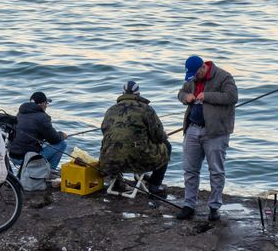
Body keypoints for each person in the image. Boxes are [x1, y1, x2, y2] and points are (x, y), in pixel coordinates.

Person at [176, 55, 238, 221]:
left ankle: (214, 207)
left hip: (216, 133)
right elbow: (181, 92)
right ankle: (189, 205)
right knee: (189, 170)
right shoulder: (191, 79)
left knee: (216, 171)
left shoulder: (224, 77)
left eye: (196, 74)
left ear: (203, 67)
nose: (194, 78)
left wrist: (208, 96)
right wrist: (185, 98)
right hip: (192, 129)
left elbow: (232, 97)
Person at [99, 80, 171, 195]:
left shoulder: (110, 110)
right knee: (167, 146)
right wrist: (164, 136)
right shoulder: (146, 109)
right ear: (138, 94)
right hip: (138, 160)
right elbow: (158, 137)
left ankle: (117, 182)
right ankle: (154, 185)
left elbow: (105, 132)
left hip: (109, 160)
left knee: (115, 145)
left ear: (123, 93)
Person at [9, 91, 67, 170]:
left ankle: (40, 170)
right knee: (62, 143)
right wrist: (62, 135)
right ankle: (49, 172)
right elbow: (54, 139)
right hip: (27, 158)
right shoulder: (42, 117)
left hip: (13, 155)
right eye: (46, 103)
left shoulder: (20, 113)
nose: (46, 106)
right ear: (42, 104)